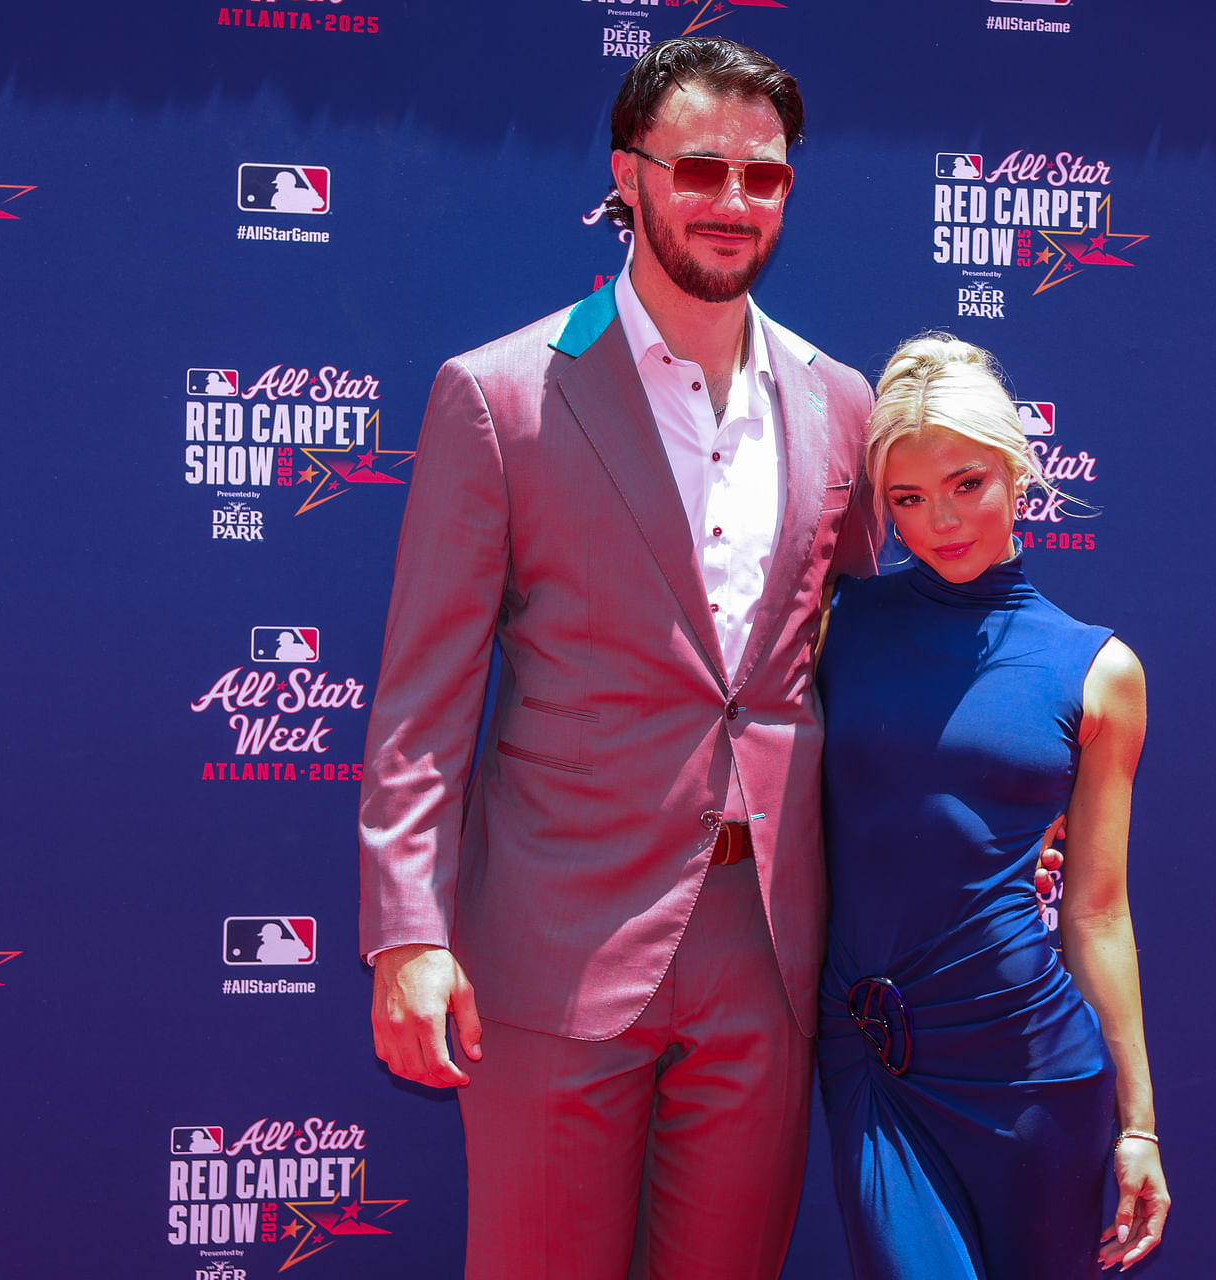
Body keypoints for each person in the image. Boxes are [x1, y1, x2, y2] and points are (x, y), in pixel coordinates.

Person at [357, 38, 879, 1280]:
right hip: (554, 936)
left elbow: (865, 669)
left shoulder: (842, 402)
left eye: (764, 175)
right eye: (699, 168)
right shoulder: (500, 393)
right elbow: (425, 698)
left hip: (767, 948)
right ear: (627, 175)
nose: (734, 200)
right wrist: (407, 932)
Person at [815, 335, 1170, 1277]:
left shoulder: (1099, 669)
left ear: (1018, 471)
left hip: (1032, 1068)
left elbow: (1097, 910)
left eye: (966, 484)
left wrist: (1138, 1125)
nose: (941, 521)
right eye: (907, 498)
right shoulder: (838, 627)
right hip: (873, 1057)